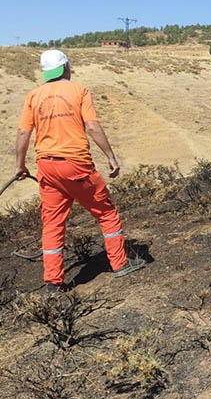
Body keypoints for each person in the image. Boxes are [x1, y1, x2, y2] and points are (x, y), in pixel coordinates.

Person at [15, 50, 145, 292]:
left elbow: (23, 132)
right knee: (106, 213)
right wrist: (111, 156)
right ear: (66, 67)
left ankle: (53, 283)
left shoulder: (33, 95)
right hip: (76, 165)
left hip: (46, 167)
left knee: (52, 224)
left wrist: (20, 165)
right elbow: (92, 126)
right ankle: (119, 264)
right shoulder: (79, 91)